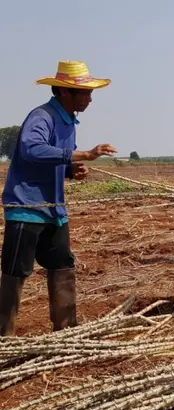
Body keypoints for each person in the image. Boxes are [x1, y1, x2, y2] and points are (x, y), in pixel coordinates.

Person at [0, 60, 118, 336]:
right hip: (26, 206)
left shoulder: (69, 122)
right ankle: (3, 338)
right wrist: (83, 155)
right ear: (65, 92)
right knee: (15, 272)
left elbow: (54, 160)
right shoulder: (42, 117)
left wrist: (70, 170)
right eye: (85, 92)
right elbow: (32, 150)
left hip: (54, 210)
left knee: (63, 265)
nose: (90, 98)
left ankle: (66, 331)